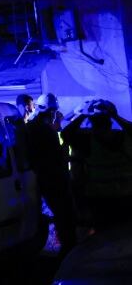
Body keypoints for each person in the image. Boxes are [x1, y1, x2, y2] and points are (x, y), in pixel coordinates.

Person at [62, 99, 132, 230]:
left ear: (92, 122)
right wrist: (116, 116)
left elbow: (66, 134)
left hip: (99, 198)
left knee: (103, 239)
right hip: (126, 195)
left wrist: (83, 114)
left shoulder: (87, 140)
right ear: (110, 121)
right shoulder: (124, 137)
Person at [28, 96, 77, 254]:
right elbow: (57, 156)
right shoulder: (46, 131)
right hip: (55, 178)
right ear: (51, 111)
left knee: (57, 214)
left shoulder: (31, 128)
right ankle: (67, 251)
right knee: (64, 215)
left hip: (42, 179)